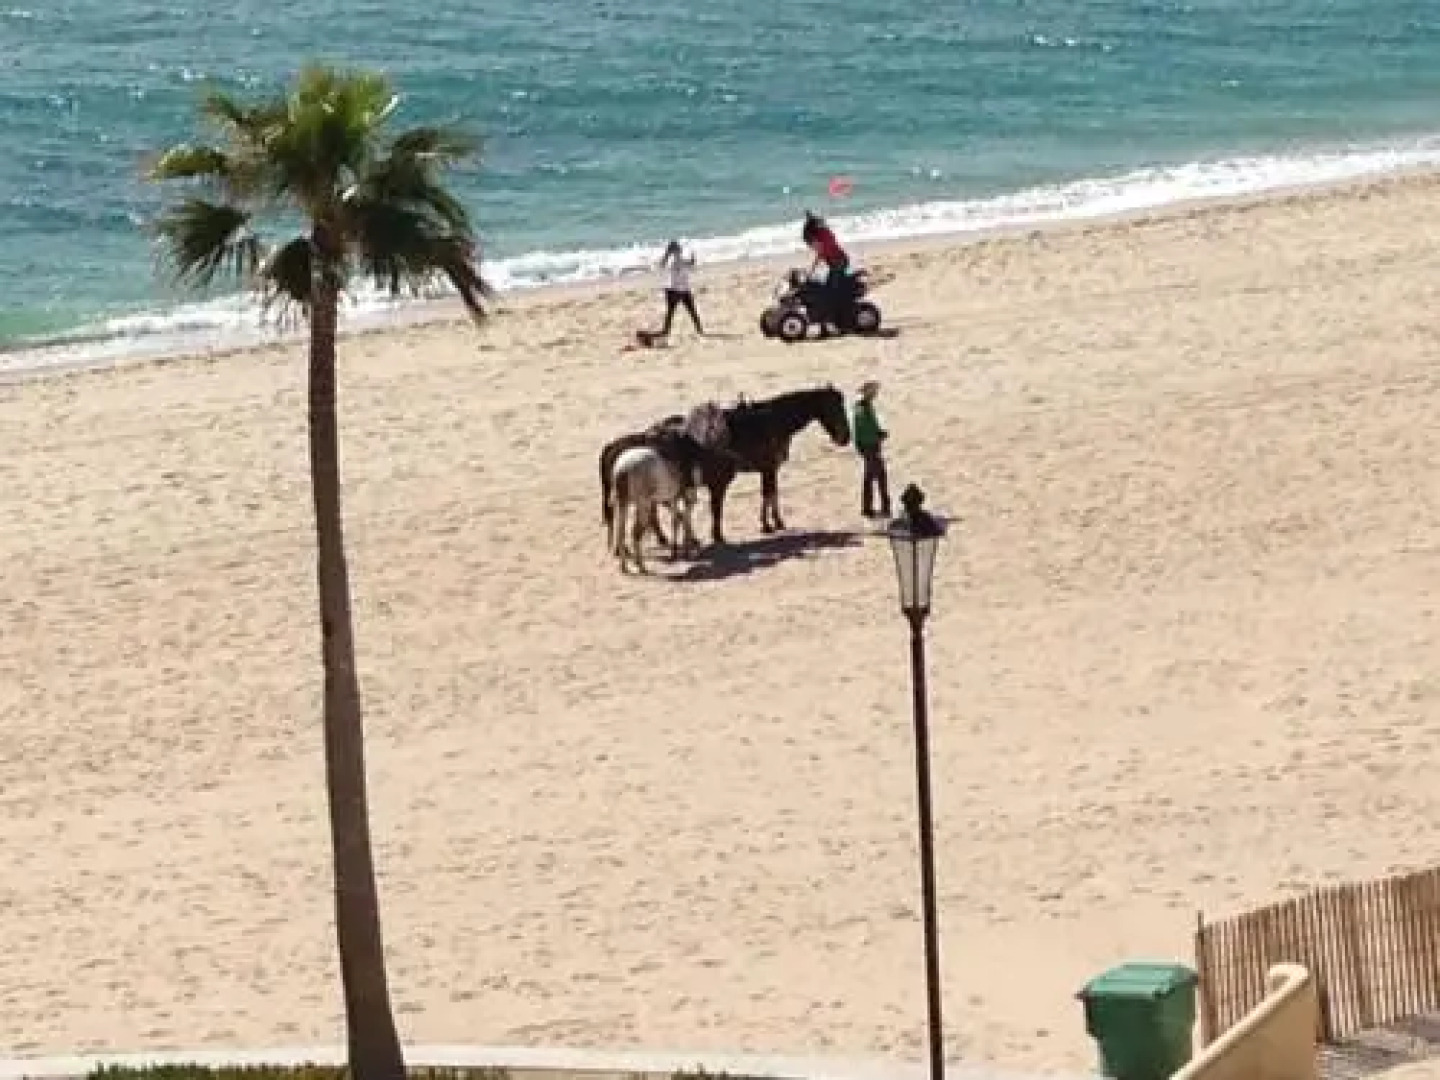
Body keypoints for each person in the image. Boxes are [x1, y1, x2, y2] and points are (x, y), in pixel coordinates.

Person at [802, 211, 856, 329]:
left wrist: (811, 270)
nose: (810, 246)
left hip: (839, 262)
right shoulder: (822, 233)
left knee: (831, 292)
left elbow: (820, 254)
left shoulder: (823, 237)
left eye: (810, 243)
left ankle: (841, 318)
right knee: (825, 287)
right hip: (835, 263)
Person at [853, 379, 891, 519]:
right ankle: (885, 508)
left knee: (869, 477)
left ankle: (868, 508)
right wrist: (878, 434)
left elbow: (863, 427)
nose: (875, 393)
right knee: (881, 476)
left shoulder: (861, 407)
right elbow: (866, 427)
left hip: (868, 446)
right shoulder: (863, 407)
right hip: (870, 447)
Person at [658, 240, 703, 337]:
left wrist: (692, 259)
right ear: (673, 250)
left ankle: (699, 330)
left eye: (678, 247)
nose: (679, 249)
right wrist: (691, 260)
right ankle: (665, 331)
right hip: (674, 290)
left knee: (689, 310)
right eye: (677, 248)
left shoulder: (677, 260)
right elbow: (664, 264)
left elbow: (689, 266)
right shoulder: (672, 260)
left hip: (682, 289)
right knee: (673, 312)